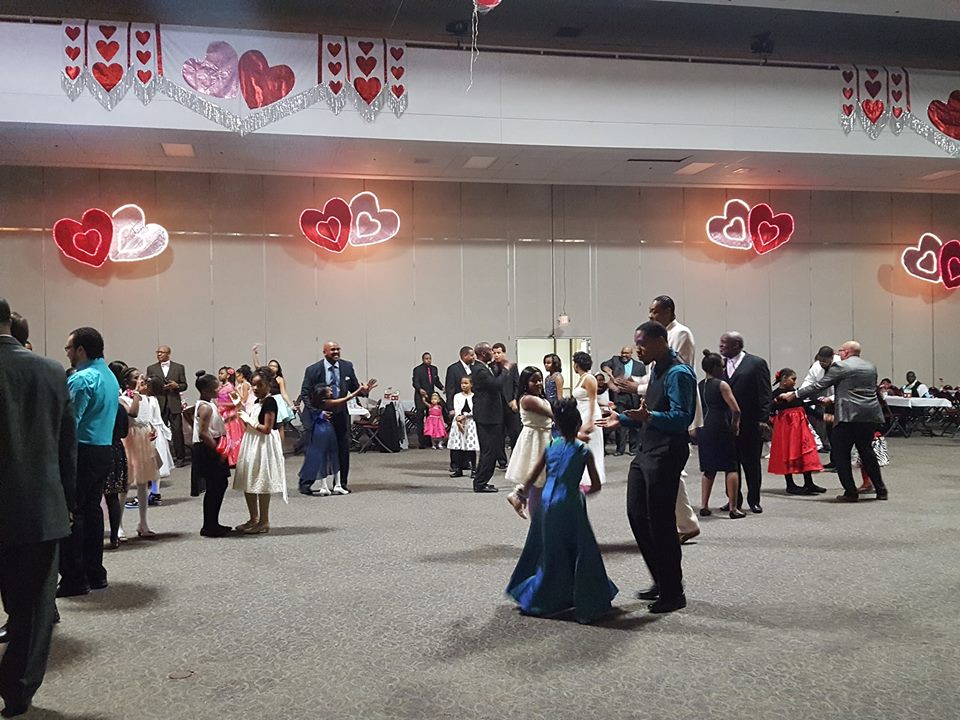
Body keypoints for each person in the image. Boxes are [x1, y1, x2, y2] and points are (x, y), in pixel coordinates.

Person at [0, 298, 77, 718]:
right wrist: (66, 502)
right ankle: (18, 691)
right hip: (38, 508)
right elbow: (67, 446)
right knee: (32, 607)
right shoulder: (50, 371)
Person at [602, 321, 696, 614]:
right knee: (637, 515)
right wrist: (625, 419)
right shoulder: (656, 368)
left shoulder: (679, 373)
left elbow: (682, 418)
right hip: (647, 451)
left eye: (641, 343)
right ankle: (662, 579)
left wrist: (648, 416)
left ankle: (673, 591)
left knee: (661, 522)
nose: (637, 349)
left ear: (660, 341)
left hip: (667, 452)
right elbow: (649, 414)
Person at [505, 398, 616, 624]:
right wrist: (581, 490)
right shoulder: (583, 450)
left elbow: (533, 475)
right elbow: (595, 485)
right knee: (580, 549)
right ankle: (586, 598)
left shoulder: (550, 446)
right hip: (570, 502)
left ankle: (542, 597)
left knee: (549, 549)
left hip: (546, 501)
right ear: (578, 425)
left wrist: (521, 494)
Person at [617, 296, 700, 542]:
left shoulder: (680, 341)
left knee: (668, 486)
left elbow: (673, 379)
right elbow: (654, 375)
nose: (651, 315)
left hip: (670, 421)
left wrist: (639, 391)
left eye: (655, 311)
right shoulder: (657, 363)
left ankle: (683, 527)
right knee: (642, 509)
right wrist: (622, 417)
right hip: (654, 426)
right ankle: (682, 526)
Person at [783, 341, 888, 502]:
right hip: (870, 415)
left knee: (841, 454)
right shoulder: (870, 367)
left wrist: (795, 395)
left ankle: (850, 492)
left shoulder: (841, 367)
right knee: (867, 451)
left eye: (840, 350)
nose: (839, 353)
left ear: (846, 352)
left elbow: (819, 385)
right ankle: (881, 490)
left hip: (848, 416)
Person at [58, 326, 119, 598]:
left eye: (69, 348)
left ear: (81, 350)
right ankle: (96, 573)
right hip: (104, 449)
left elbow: (69, 424)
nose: (68, 353)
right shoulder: (109, 376)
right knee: (93, 512)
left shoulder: (82, 379)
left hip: (82, 451)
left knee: (73, 515)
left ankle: (75, 578)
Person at [299, 342, 375, 493]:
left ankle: (340, 484)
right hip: (320, 416)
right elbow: (305, 393)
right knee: (316, 450)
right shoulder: (313, 370)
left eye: (338, 349)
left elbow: (355, 388)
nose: (336, 352)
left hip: (340, 414)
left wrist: (364, 391)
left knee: (343, 448)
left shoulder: (347, 366)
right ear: (324, 352)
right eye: (332, 349)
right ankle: (306, 483)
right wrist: (317, 412)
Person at [719, 331, 772, 514]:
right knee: (730, 463)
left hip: (750, 422)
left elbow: (765, 393)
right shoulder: (720, 364)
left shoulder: (756, 363)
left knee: (751, 463)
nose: (721, 346)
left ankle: (754, 499)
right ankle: (734, 500)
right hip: (727, 423)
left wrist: (763, 419)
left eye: (724, 343)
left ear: (737, 345)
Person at [234, 367, 287, 533]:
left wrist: (248, 419)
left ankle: (264, 521)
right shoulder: (257, 402)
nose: (255, 389)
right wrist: (240, 409)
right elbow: (249, 423)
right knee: (248, 481)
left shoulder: (270, 402)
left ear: (268, 385)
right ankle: (253, 518)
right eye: (253, 386)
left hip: (262, 444)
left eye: (259, 385)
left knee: (261, 482)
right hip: (251, 442)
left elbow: (266, 428)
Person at [695, 351, 743, 519]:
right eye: (722, 367)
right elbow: (736, 409)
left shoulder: (699, 385)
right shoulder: (722, 385)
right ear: (715, 368)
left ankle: (704, 505)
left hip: (704, 427)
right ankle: (733, 508)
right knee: (731, 467)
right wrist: (735, 424)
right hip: (720, 426)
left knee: (709, 469)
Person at [504, 367, 553, 518]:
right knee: (536, 472)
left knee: (541, 476)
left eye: (540, 380)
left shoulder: (539, 397)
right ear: (525, 383)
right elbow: (552, 414)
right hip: (535, 437)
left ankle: (520, 495)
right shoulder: (528, 399)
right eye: (534, 381)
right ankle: (520, 495)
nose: (538, 383)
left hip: (544, 435)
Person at [298, 382, 363, 496]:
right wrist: (358, 390)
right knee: (326, 456)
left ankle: (335, 485)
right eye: (329, 390)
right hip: (323, 430)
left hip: (325, 428)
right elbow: (345, 399)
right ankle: (325, 486)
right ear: (322, 394)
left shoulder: (321, 403)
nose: (331, 391)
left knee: (333, 455)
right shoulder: (325, 402)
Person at [769, 368, 826, 495]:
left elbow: (804, 406)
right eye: (792, 379)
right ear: (784, 379)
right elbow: (770, 408)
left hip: (800, 425)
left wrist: (820, 414)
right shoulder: (776, 394)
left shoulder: (795, 392)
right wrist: (777, 401)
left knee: (805, 451)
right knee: (788, 452)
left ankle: (809, 482)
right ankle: (790, 484)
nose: (795, 382)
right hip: (787, 426)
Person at [118, 368, 157, 537]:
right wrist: (136, 394)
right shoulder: (122, 398)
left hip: (144, 441)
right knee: (124, 485)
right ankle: (118, 525)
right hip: (130, 440)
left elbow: (146, 418)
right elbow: (132, 413)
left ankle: (143, 522)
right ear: (128, 382)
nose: (141, 379)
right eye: (136, 377)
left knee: (143, 484)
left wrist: (151, 428)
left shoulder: (146, 398)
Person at [145, 345, 187, 468]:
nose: (159, 354)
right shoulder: (151, 368)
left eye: (161, 352)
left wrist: (176, 386)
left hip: (174, 402)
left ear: (168, 354)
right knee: (159, 432)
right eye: (157, 352)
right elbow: (148, 385)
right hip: (159, 403)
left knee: (177, 431)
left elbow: (184, 385)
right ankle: (163, 458)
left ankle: (180, 458)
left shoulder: (179, 367)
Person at [470, 342, 502, 494]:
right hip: (486, 416)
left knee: (491, 450)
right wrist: (506, 371)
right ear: (483, 353)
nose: (493, 352)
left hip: (489, 414)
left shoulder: (483, 367)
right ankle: (480, 483)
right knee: (488, 450)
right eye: (490, 350)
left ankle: (482, 481)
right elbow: (495, 384)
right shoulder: (479, 369)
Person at [571, 352, 605, 489]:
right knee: (582, 446)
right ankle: (582, 475)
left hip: (590, 414)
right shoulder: (581, 378)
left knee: (592, 446)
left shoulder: (589, 378)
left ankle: (592, 477)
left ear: (577, 364)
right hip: (581, 413)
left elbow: (593, 400)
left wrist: (591, 421)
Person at [252, 346, 297, 445]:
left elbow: (284, 393)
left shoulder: (280, 379)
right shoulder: (263, 377)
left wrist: (291, 405)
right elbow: (257, 366)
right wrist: (255, 354)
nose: (272, 367)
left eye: (275, 366)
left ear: (278, 369)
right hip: (267, 400)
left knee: (279, 426)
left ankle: (280, 447)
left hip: (278, 401)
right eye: (270, 365)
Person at [800, 346, 840, 457]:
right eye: (820, 360)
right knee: (829, 432)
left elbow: (846, 389)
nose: (822, 363)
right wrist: (799, 394)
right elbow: (809, 382)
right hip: (825, 403)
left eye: (825, 361)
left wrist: (831, 399)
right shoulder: (816, 366)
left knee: (839, 434)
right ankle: (834, 459)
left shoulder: (841, 365)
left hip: (840, 402)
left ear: (832, 358)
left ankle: (840, 462)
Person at [602, 346, 641, 455]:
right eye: (623, 353)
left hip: (633, 397)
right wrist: (608, 371)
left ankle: (634, 449)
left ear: (631, 353)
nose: (624, 355)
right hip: (619, 396)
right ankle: (620, 449)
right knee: (620, 423)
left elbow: (642, 382)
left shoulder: (640, 366)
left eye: (627, 353)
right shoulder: (615, 360)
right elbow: (604, 365)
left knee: (634, 423)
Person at [493, 342, 521, 469]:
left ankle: (515, 459)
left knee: (514, 432)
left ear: (504, 353)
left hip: (510, 403)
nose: (496, 355)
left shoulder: (512, 366)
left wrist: (515, 399)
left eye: (499, 352)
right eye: (494, 353)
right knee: (498, 435)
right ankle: (502, 461)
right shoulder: (491, 367)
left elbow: (517, 385)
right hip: (496, 405)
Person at [446, 377, 479, 478]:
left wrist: (465, 416)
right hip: (458, 423)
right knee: (458, 448)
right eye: (462, 383)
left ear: (471, 385)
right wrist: (458, 421)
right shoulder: (457, 396)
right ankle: (458, 469)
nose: (463, 385)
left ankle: (474, 469)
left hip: (470, 423)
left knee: (470, 448)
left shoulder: (474, 396)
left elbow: (475, 410)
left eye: (466, 383)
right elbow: (457, 409)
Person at [412, 352, 444, 449]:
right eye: (426, 358)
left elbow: (436, 381)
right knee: (420, 417)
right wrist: (419, 389)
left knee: (431, 418)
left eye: (430, 358)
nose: (428, 360)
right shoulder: (417, 369)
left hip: (431, 396)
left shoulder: (434, 369)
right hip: (420, 396)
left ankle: (431, 440)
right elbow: (415, 382)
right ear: (423, 359)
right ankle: (422, 442)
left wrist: (442, 387)